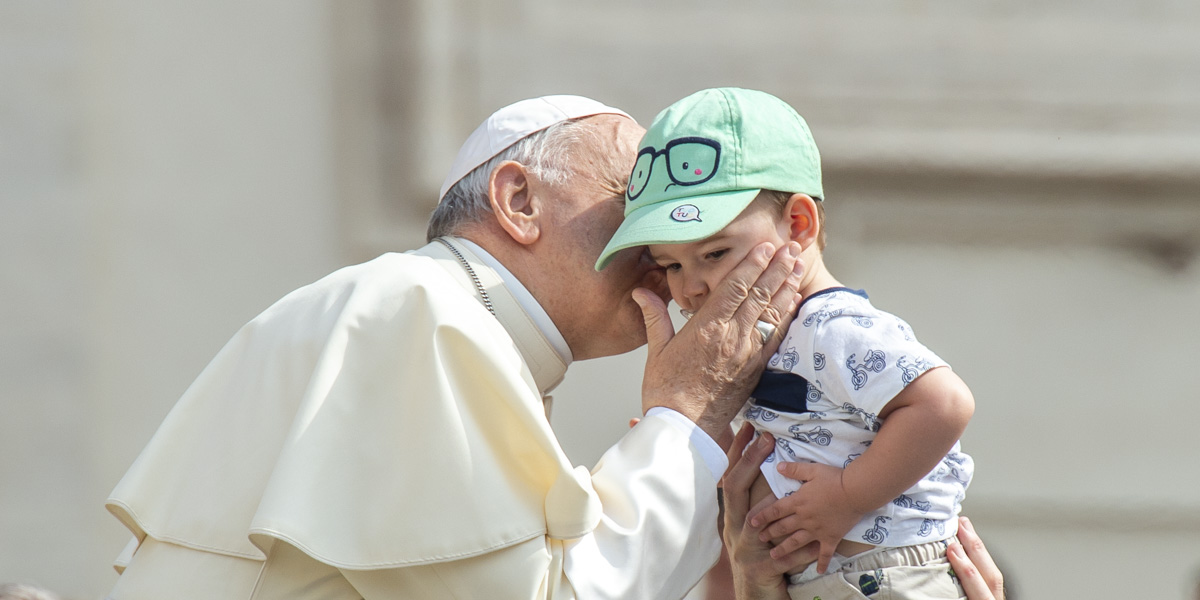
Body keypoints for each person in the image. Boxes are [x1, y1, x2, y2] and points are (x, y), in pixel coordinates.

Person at [103, 94, 806, 600]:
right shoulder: (419, 314)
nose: (662, 246)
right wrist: (687, 415)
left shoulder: (432, 321)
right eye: (632, 199)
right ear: (518, 201)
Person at [596, 87, 976, 598]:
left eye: (714, 253)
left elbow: (944, 404)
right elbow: (797, 442)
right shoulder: (764, 344)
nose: (692, 286)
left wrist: (846, 496)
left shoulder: (832, 325)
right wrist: (695, 444)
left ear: (797, 224)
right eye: (672, 264)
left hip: (891, 576)